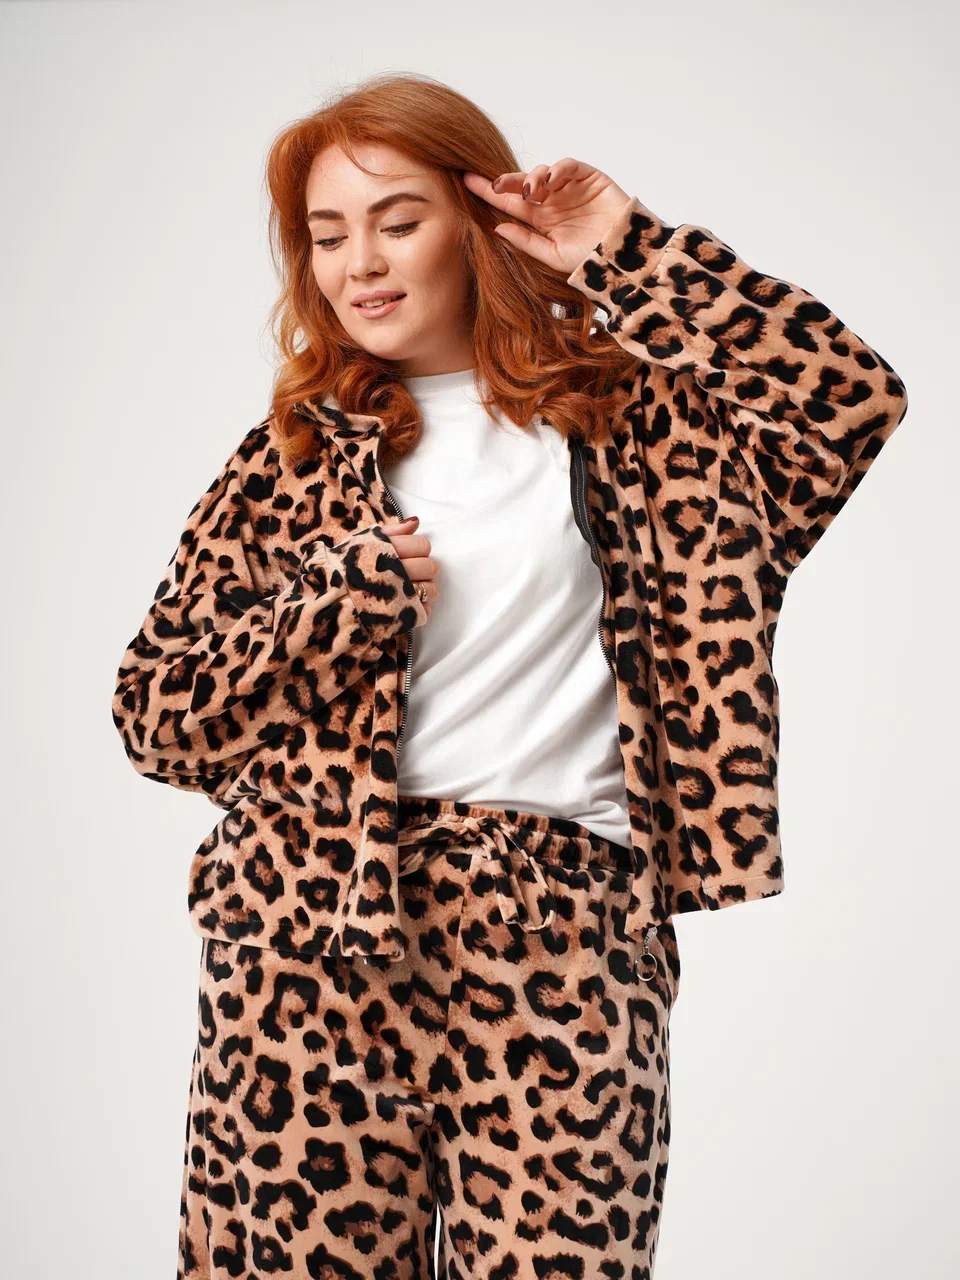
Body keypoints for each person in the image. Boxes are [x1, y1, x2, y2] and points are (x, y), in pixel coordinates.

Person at [111, 73, 909, 1280]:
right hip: (309, 941)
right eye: (326, 236)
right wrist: (332, 609)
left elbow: (848, 399)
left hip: (563, 940)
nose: (360, 264)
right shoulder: (290, 460)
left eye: (397, 220)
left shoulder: (640, 432)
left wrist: (628, 249)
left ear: (477, 221)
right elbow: (154, 713)